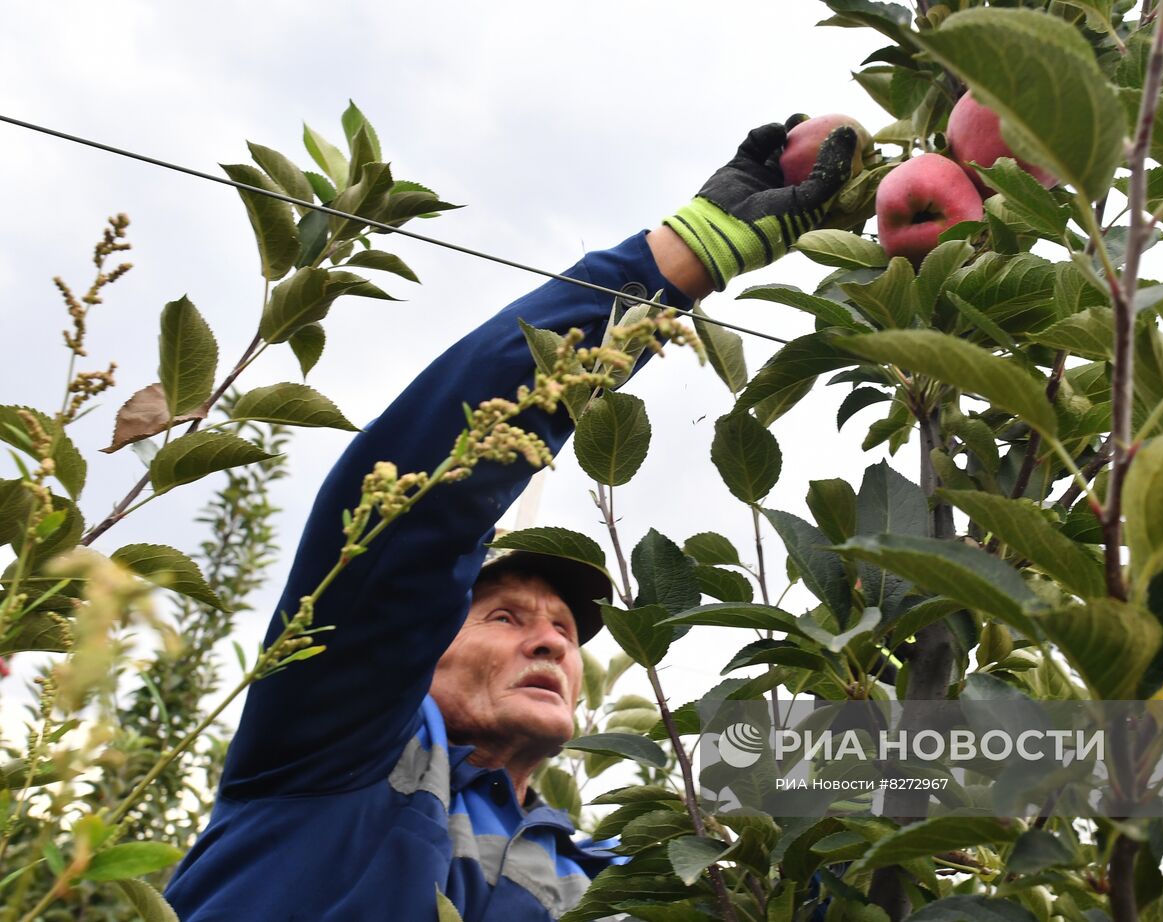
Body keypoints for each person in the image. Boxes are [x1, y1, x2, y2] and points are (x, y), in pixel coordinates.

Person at [164, 116, 858, 921]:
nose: (552, 641)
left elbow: (842, 866)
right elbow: (416, 506)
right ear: (420, 646)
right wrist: (681, 261)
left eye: (564, 628)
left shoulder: (617, 881)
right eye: (504, 615)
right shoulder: (337, 746)